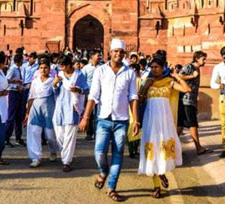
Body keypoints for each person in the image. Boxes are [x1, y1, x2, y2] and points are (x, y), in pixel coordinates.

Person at [79, 39, 139, 202]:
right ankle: (103, 171)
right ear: (110, 53)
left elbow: (133, 97)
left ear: (124, 54)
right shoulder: (100, 71)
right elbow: (93, 95)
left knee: (118, 154)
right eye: (115, 51)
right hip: (103, 118)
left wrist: (136, 121)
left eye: (121, 52)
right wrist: (85, 117)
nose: (118, 54)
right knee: (99, 152)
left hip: (121, 120)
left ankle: (111, 187)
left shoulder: (129, 73)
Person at [138, 56, 192, 199]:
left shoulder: (169, 82)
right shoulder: (147, 81)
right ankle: (156, 186)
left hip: (165, 121)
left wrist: (176, 76)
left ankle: (162, 173)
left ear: (163, 68)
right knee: (152, 150)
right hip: (150, 120)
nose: (154, 69)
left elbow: (187, 89)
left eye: (157, 67)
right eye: (152, 67)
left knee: (162, 148)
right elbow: (140, 100)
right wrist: (145, 87)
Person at [52, 55, 88, 172]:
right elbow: (55, 92)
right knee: (59, 136)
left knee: (70, 137)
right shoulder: (60, 75)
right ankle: (65, 153)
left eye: (62, 66)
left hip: (72, 108)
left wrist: (78, 89)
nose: (61, 68)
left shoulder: (79, 75)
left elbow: (86, 89)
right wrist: (54, 84)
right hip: (60, 108)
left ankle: (66, 161)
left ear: (68, 65)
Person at [24, 58, 58, 167]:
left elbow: (57, 95)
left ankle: (53, 151)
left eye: (45, 68)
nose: (43, 70)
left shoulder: (53, 80)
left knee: (50, 135)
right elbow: (31, 96)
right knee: (34, 132)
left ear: (49, 68)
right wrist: (28, 112)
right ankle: (35, 157)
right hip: (35, 108)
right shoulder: (35, 81)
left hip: (49, 108)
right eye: (41, 68)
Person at [178, 51, 211, 155]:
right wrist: (192, 76)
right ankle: (198, 148)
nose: (205, 61)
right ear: (197, 58)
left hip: (190, 100)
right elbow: (179, 76)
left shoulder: (197, 69)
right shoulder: (189, 67)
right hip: (186, 100)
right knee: (193, 124)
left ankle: (171, 145)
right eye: (203, 59)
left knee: (180, 124)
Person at [4, 53, 25, 147]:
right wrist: (15, 85)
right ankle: (6, 138)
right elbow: (6, 81)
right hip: (13, 93)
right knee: (11, 116)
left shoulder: (18, 69)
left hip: (18, 93)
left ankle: (18, 137)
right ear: (19, 61)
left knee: (18, 116)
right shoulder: (12, 69)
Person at [81, 51, 101, 140]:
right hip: (89, 94)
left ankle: (97, 133)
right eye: (98, 55)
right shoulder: (86, 68)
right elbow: (82, 80)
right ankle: (89, 133)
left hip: (100, 93)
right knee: (89, 113)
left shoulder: (102, 67)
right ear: (92, 56)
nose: (99, 57)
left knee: (99, 113)